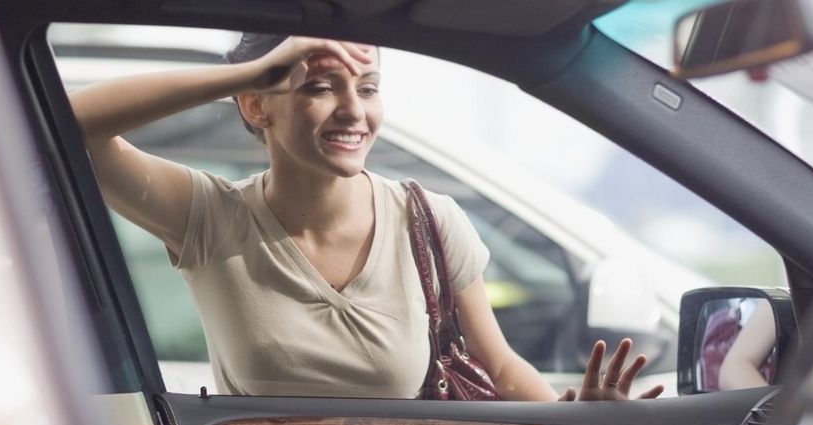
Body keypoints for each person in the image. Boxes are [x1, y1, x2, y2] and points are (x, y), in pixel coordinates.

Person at [69, 34, 663, 401]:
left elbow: (501, 368)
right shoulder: (211, 217)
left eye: (369, 87)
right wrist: (248, 72)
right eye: (321, 87)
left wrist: (579, 424)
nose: (354, 111)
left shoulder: (428, 220)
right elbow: (69, 122)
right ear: (256, 106)